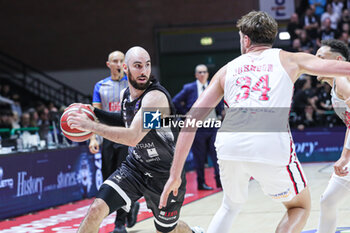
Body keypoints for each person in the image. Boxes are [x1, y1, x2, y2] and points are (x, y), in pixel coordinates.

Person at [159, 11, 350, 233]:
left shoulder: (226, 69)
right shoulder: (290, 59)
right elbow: (343, 68)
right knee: (299, 206)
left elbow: (190, 120)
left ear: (246, 39)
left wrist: (175, 175)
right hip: (269, 143)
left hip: (228, 144)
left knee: (230, 205)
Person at [67, 46, 203, 233]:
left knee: (167, 230)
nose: (143, 71)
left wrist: (90, 126)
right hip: (135, 168)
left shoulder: (156, 99)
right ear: (125, 68)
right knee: (96, 209)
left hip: (165, 174)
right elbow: (125, 121)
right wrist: (93, 113)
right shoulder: (127, 95)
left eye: (147, 65)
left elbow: (133, 137)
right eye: (137, 66)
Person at [89, 50, 139, 233]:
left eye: (121, 61)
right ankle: (131, 205)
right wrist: (93, 138)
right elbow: (94, 114)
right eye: (115, 61)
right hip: (108, 139)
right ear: (108, 64)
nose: (118, 64)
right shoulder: (100, 86)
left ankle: (120, 223)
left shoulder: (133, 84)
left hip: (127, 137)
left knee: (123, 179)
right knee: (107, 179)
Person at [315, 39, 350, 233]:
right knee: (328, 201)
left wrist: (345, 156)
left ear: (337, 61)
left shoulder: (343, 81)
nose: (315, 61)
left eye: (321, 57)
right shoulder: (337, 83)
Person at [172, 64, 223, 190]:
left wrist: (220, 114)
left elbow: (221, 100)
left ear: (208, 74)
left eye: (204, 72)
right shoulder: (189, 88)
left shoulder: (213, 85)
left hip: (212, 125)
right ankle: (201, 183)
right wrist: (186, 114)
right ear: (196, 75)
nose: (202, 74)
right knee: (199, 157)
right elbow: (175, 101)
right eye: (199, 72)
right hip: (197, 127)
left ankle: (219, 181)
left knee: (217, 155)